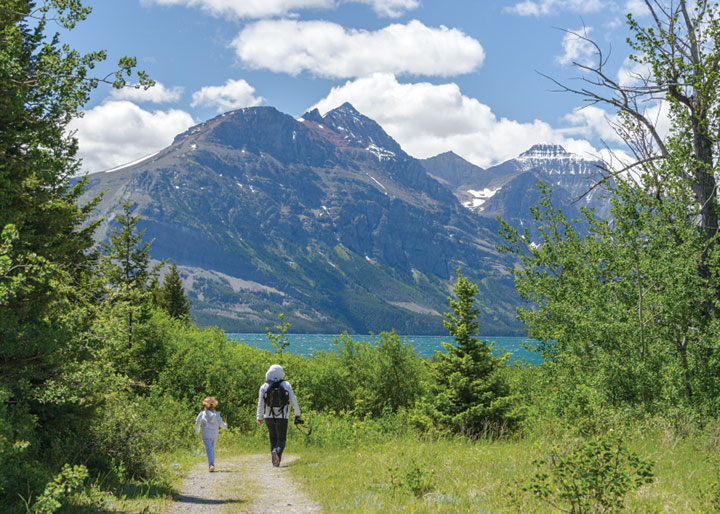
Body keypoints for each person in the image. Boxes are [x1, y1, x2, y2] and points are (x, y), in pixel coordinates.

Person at [256, 364, 303, 467]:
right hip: (283, 416)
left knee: (273, 437)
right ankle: (277, 453)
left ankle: (275, 460)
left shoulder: (264, 386)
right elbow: (293, 400)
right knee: (281, 439)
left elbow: (260, 403)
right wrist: (297, 414)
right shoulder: (286, 384)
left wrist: (259, 417)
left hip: (268, 415)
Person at [195, 396, 227, 472]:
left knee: (209, 449)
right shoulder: (216, 415)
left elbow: (197, 422)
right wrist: (225, 425)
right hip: (214, 434)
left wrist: (197, 430)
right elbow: (222, 424)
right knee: (212, 448)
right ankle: (212, 464)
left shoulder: (202, 414)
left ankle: (211, 465)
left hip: (206, 434)